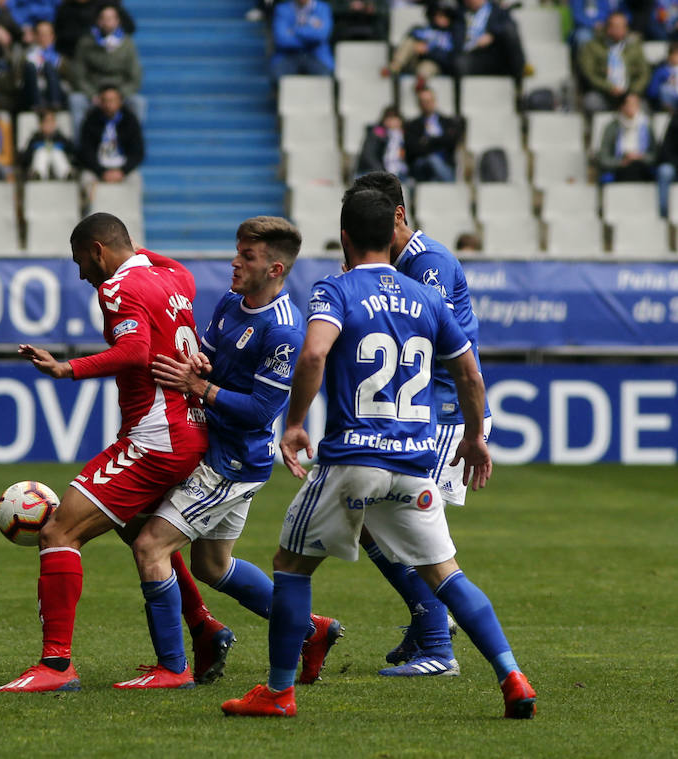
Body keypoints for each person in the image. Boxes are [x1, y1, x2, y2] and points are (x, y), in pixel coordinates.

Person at [220, 190, 537, 719]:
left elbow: (315, 352)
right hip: (414, 462)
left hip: (354, 459)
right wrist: (475, 436)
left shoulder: (335, 289)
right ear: (391, 232)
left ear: (344, 237)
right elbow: (468, 372)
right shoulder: (427, 297)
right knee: (449, 575)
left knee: (290, 567)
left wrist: (295, 423)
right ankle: (513, 675)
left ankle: (277, 692)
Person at [116, 216, 342, 689]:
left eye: (248, 257)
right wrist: (199, 360)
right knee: (211, 566)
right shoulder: (229, 302)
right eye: (237, 252)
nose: (234, 263)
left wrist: (201, 385)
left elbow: (262, 409)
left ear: (276, 269)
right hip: (215, 449)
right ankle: (311, 630)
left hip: (232, 462)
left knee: (149, 545)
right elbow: (210, 352)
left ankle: (172, 668)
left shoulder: (283, 331)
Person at [0, 213, 211, 693]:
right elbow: (164, 264)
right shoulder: (176, 279)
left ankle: (55, 666)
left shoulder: (115, 289)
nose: (81, 275)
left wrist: (66, 368)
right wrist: (134, 251)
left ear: (97, 250)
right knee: (139, 530)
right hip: (191, 428)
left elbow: (134, 352)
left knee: (57, 530)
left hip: (155, 438)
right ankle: (204, 627)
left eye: (80, 261)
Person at [340, 171, 492, 678]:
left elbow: (426, 336)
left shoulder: (427, 263)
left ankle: (436, 635)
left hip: (446, 414)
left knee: (400, 530)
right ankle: (429, 621)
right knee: (375, 524)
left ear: (398, 216)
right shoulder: (399, 264)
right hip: (425, 412)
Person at [68, 3, 144, 136]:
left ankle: (133, 146)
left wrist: (120, 95)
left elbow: (135, 76)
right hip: (94, 91)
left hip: (120, 92)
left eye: (111, 18)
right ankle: (80, 148)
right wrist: (92, 94)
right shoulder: (86, 43)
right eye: (104, 18)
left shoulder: (127, 44)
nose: (108, 22)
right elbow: (79, 75)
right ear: (99, 21)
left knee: (138, 102)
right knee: (76, 100)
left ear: (117, 21)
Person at [76, 84, 144, 201]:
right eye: (105, 101)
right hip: (98, 168)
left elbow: (138, 152)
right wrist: (101, 172)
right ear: (100, 102)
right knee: (86, 179)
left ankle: (131, 215)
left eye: (112, 100)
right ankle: (92, 215)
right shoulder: (91, 120)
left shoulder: (130, 120)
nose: (109, 105)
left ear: (120, 101)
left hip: (122, 167)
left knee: (136, 180)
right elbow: (86, 151)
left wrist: (122, 171)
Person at [577, 11, 649, 113]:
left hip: (629, 93)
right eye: (615, 26)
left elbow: (644, 72)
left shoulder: (634, 46)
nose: (619, 30)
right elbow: (589, 73)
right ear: (608, 28)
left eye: (622, 26)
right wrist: (608, 87)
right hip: (603, 94)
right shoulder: (593, 46)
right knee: (590, 102)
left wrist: (634, 92)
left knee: (643, 107)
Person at [452, 0, 526, 83]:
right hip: (472, 56)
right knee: (458, 63)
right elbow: (457, 39)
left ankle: (519, 79)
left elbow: (510, 27)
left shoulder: (497, 10)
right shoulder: (460, 13)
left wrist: (492, 34)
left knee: (510, 33)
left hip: (494, 54)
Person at [404, 87, 461, 183]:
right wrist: (439, 142)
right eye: (423, 101)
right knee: (431, 160)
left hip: (445, 165)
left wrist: (427, 141)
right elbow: (413, 148)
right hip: (421, 167)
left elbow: (451, 142)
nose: (426, 104)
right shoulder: (412, 125)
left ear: (434, 101)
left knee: (434, 163)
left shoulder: (448, 122)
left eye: (429, 101)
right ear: (419, 104)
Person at [597, 92, 657, 183]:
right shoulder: (611, 127)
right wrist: (621, 162)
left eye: (636, 104)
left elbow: (655, 155)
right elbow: (603, 158)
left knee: (637, 167)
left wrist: (640, 157)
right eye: (630, 104)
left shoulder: (647, 126)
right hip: (619, 167)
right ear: (622, 106)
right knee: (628, 169)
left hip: (642, 166)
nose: (634, 107)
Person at [385, 3, 456, 79]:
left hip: (432, 64)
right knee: (409, 42)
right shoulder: (419, 29)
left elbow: (448, 58)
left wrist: (428, 51)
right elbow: (406, 42)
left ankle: (420, 85)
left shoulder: (450, 36)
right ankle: (394, 67)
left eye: (443, 16)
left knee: (426, 68)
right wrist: (417, 46)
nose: (439, 18)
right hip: (411, 60)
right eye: (436, 15)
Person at [270, 0, 334, 80]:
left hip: (316, 55)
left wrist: (294, 30)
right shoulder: (282, 9)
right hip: (288, 55)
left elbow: (321, 36)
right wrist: (311, 34)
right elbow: (282, 40)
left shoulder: (323, 8)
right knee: (277, 74)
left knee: (325, 75)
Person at [54, 0, 135, 59]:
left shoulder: (105, 4)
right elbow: (61, 36)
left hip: (108, 57)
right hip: (74, 56)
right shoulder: (65, 9)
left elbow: (129, 27)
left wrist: (109, 35)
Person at [21, 21, 71, 111]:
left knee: (48, 66)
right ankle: (37, 104)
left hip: (57, 90)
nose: (44, 38)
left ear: (53, 36)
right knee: (30, 67)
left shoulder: (60, 56)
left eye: (47, 34)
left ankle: (55, 103)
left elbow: (69, 75)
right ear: (36, 36)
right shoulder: (28, 54)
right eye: (41, 34)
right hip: (33, 91)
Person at [355, 105, 408, 181]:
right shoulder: (376, 133)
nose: (391, 121)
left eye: (394, 118)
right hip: (374, 172)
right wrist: (382, 172)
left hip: (399, 174)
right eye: (388, 117)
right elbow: (368, 155)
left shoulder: (405, 137)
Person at [21, 108, 76, 179]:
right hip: (38, 165)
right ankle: (38, 175)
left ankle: (67, 174)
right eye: (47, 121)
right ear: (41, 124)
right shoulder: (35, 139)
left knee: (57, 153)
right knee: (41, 153)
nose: (50, 125)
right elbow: (26, 157)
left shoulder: (61, 138)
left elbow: (72, 152)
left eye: (52, 121)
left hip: (58, 168)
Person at [656, 110, 678, 216]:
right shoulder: (675, 120)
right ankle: (664, 214)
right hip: (674, 165)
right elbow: (666, 149)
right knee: (665, 171)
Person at [646, 41, 678, 111]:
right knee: (664, 89)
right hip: (667, 103)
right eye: (675, 54)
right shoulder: (661, 71)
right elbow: (652, 91)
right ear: (670, 55)